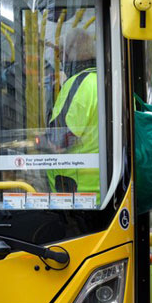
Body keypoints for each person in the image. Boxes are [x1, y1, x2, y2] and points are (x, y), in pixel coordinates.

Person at [46, 27, 99, 194]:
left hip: (76, 190)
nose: (59, 60)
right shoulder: (108, 81)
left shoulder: (77, 85)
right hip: (103, 186)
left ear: (69, 54)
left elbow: (58, 140)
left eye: (60, 54)